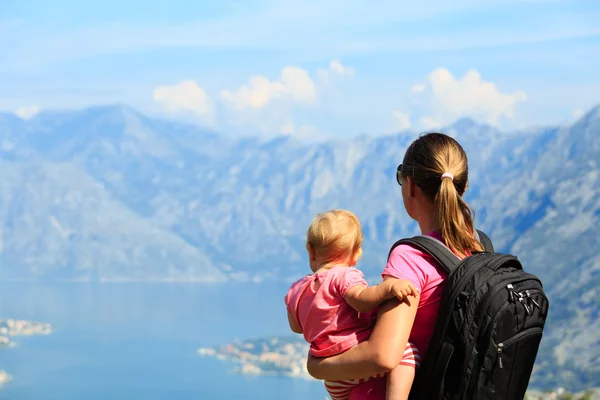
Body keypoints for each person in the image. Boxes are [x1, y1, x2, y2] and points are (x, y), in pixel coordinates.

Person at [306, 132, 484, 399]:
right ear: (464, 186)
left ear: (409, 186)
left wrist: (317, 366)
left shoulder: (411, 258)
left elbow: (383, 356)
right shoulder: (480, 248)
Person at [284, 209, 421, 400]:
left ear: (311, 251)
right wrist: (388, 288)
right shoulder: (344, 276)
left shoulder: (296, 290)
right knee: (408, 352)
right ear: (357, 253)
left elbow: (296, 327)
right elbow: (361, 300)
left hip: (333, 379)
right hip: (358, 360)